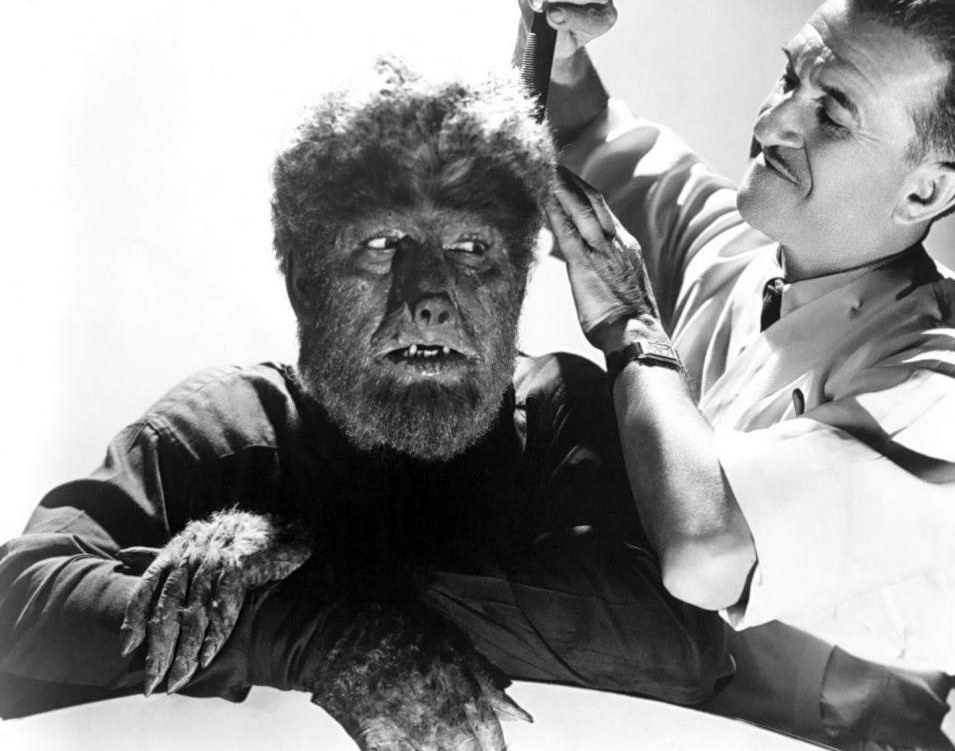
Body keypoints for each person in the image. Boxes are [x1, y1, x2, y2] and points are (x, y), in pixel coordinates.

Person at [0, 59, 729, 751]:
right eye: (383, 244)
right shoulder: (223, 429)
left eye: (472, 248)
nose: (430, 297)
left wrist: (312, 586)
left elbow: (676, 645)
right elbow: (18, 598)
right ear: (305, 284)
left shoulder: (560, 409)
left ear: (516, 285)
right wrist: (310, 637)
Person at [522, 0, 955, 749]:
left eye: (831, 114)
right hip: (680, 678)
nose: (770, 122)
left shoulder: (945, 378)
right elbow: (582, 133)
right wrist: (557, 42)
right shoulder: (747, 250)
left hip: (828, 728)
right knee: (531, 407)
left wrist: (634, 329)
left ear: (926, 190)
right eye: (791, 78)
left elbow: (705, 553)